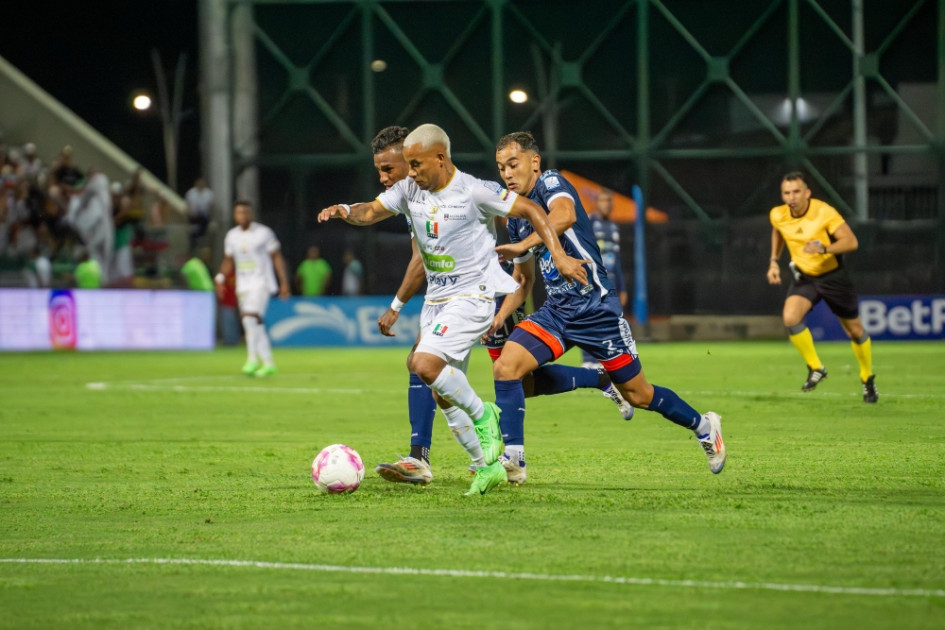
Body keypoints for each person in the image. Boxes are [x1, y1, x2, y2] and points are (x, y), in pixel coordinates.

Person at [318, 123, 590, 496]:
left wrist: (557, 254)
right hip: (437, 301)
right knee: (442, 391)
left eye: (415, 165)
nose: (410, 173)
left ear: (440, 158)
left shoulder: (475, 191)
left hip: (472, 297)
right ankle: (488, 466)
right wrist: (345, 210)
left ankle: (483, 416)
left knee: (422, 362)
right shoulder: (409, 190)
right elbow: (369, 212)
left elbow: (531, 209)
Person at [372, 126, 632, 488]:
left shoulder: (460, 190)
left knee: (507, 377)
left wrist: (398, 304)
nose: (386, 177)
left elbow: (430, 259)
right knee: (442, 370)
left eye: (392, 168)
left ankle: (503, 457)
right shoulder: (414, 198)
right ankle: (433, 458)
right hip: (454, 298)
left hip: (486, 294)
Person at [491, 131, 726, 489]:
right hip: (557, 311)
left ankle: (705, 426)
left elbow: (565, 215)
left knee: (639, 395)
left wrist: (524, 244)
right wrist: (497, 318)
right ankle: (514, 460)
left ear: (534, 162)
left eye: (513, 164)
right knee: (508, 370)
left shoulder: (551, 182)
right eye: (501, 168)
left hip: (596, 309)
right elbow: (523, 280)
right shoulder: (517, 217)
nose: (507, 174)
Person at [767, 171, 877, 403]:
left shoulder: (824, 212)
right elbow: (778, 230)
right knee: (790, 318)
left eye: (796, 191)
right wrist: (774, 261)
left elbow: (851, 242)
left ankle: (867, 377)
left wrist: (824, 249)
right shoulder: (778, 214)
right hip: (805, 277)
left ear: (807, 193)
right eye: (787, 193)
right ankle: (816, 367)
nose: (791, 197)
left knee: (855, 331)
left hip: (833, 277)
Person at [215, 200, 291, 377]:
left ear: (251, 214)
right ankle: (269, 363)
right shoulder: (232, 236)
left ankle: (252, 359)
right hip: (243, 284)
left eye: (245, 212)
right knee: (254, 324)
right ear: (235, 215)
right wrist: (220, 277)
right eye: (239, 212)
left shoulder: (264, 233)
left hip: (261, 282)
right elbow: (229, 259)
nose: (242, 215)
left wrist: (284, 282)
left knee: (250, 318)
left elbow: (276, 257)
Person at [581, 188, 628, 369]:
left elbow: (616, 260)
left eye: (610, 201)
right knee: (590, 319)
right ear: (596, 202)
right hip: (592, 281)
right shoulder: (587, 223)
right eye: (603, 200)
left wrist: (622, 287)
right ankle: (588, 360)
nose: (607, 204)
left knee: (609, 322)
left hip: (610, 282)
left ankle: (603, 361)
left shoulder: (614, 227)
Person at [185, 177, 214, 250]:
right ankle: (194, 241)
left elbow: (210, 206)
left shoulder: (209, 193)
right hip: (193, 215)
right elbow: (187, 206)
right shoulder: (191, 193)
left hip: (204, 215)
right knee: (194, 226)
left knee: (204, 219)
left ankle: (197, 238)